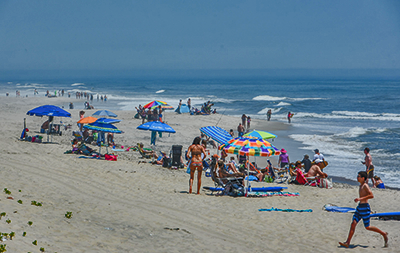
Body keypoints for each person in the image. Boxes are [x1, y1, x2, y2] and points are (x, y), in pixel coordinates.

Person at [339, 171, 388, 248]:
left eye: (358, 176)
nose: (357, 177)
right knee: (353, 224)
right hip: (359, 207)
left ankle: (383, 233)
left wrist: (360, 198)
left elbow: (371, 195)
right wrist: (359, 200)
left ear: (363, 178)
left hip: (365, 208)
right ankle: (347, 242)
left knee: (367, 227)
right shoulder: (360, 185)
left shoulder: (365, 186)